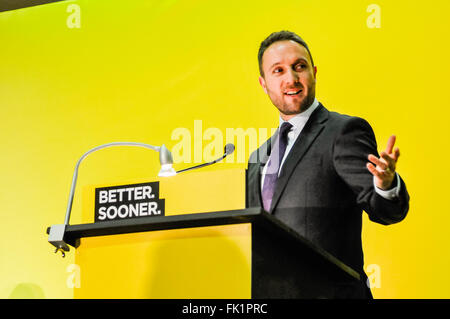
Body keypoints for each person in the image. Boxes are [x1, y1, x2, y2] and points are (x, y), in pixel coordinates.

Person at [246, 30, 410, 298]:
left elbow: (384, 210)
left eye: (299, 66)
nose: (291, 78)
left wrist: (386, 185)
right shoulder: (258, 156)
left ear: (314, 72)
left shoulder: (343, 132)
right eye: (278, 70)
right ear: (264, 84)